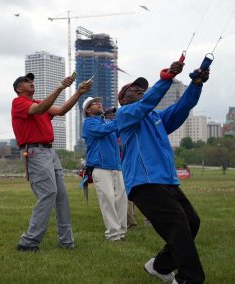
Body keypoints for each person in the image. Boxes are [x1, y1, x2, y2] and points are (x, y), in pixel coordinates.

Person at [115, 61, 209, 283]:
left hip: (166, 181)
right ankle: (189, 278)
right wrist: (167, 77)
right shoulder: (125, 115)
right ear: (123, 98)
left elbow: (180, 108)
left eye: (142, 88)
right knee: (178, 226)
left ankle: (160, 266)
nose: (139, 89)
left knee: (191, 222)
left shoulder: (154, 118)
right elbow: (146, 103)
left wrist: (196, 84)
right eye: (133, 88)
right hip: (144, 183)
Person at [11, 72, 92, 252]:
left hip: (49, 152)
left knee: (61, 197)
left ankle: (67, 241)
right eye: (26, 81)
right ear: (19, 89)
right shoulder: (18, 103)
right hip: (35, 152)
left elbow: (61, 110)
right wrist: (60, 87)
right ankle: (28, 242)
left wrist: (78, 92)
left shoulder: (39, 102)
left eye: (32, 80)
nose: (31, 82)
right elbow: (38, 111)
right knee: (48, 193)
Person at [82, 97, 127, 241]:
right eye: (95, 103)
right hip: (100, 167)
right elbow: (103, 130)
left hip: (117, 166)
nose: (99, 103)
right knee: (107, 200)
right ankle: (113, 234)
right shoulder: (88, 123)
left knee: (122, 200)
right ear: (88, 110)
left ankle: (121, 233)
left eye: (100, 101)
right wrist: (119, 118)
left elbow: (119, 130)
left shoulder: (107, 122)